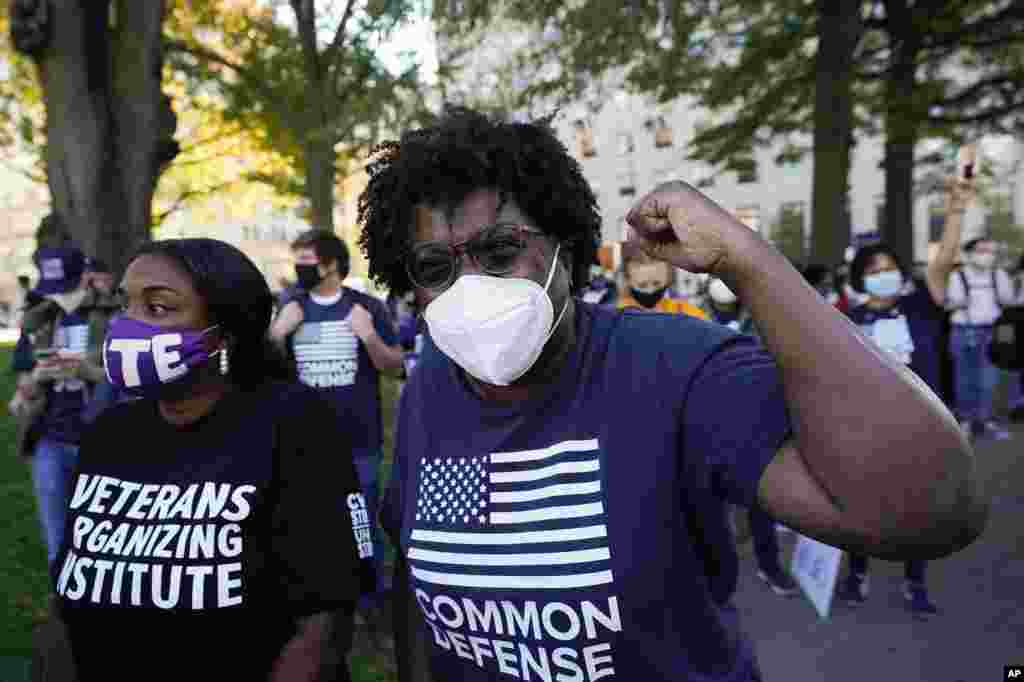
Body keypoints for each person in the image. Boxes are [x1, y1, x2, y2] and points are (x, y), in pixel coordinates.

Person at [357, 108, 986, 682]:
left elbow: (930, 510)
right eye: (436, 268)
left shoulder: (674, 364)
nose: (472, 288)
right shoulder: (433, 380)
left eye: (500, 251)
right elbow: (418, 586)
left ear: (564, 248)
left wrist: (746, 260)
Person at [53, 238, 372, 681]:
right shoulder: (110, 433)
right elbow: (70, 594)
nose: (128, 325)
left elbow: (322, 621)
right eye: (126, 305)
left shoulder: (291, 424)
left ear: (223, 332)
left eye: (159, 308)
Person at [833, 176, 973, 619]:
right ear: (860, 280)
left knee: (919, 510)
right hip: (868, 432)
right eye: (872, 271)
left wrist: (954, 210)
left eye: (888, 267)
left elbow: (946, 258)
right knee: (861, 509)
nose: (883, 275)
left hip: (925, 428)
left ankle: (916, 581)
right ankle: (856, 573)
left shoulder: (922, 305)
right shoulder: (846, 321)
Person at [269, 229, 402, 616]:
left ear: (330, 265)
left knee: (361, 522)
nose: (299, 269)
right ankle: (320, 600)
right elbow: (265, 372)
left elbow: (394, 368)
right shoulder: (290, 307)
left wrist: (369, 336)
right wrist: (278, 333)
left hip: (359, 438)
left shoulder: (366, 307)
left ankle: (371, 599)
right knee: (309, 523)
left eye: (306, 262)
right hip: (305, 442)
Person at [704, 277, 799, 598]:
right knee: (708, 500)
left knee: (761, 499)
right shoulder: (694, 314)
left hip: (752, 416)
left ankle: (769, 563)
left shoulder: (759, 314)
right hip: (709, 417)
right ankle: (712, 572)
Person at [9, 243, 100, 567]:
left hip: (101, 442)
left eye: (65, 288)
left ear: (85, 278)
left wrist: (90, 373)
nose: (57, 297)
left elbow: (136, 386)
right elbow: (20, 396)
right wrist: (36, 378)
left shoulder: (111, 317)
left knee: (101, 536)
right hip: (49, 440)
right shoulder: (39, 319)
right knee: (58, 537)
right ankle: (64, 606)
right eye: (51, 289)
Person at [947, 235, 1016, 440]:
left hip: (991, 331)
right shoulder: (957, 276)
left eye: (990, 251)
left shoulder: (999, 275)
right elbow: (953, 302)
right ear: (969, 254)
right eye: (981, 250)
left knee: (989, 378)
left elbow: (1008, 300)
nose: (987, 255)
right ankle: (966, 421)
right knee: (963, 378)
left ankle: (985, 420)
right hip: (963, 330)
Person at [617, 246, 708, 319]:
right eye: (642, 285)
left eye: (657, 283)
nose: (650, 291)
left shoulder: (686, 313)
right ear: (628, 280)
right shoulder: (616, 317)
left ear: (667, 277)